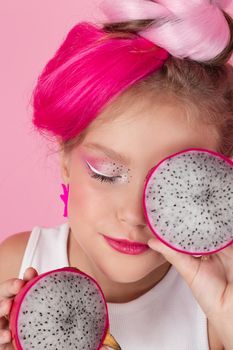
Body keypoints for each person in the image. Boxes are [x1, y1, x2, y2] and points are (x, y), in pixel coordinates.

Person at [0, 0, 233, 349]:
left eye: (172, 188)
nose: (133, 214)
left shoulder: (216, 309)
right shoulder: (15, 263)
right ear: (65, 159)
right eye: (106, 173)